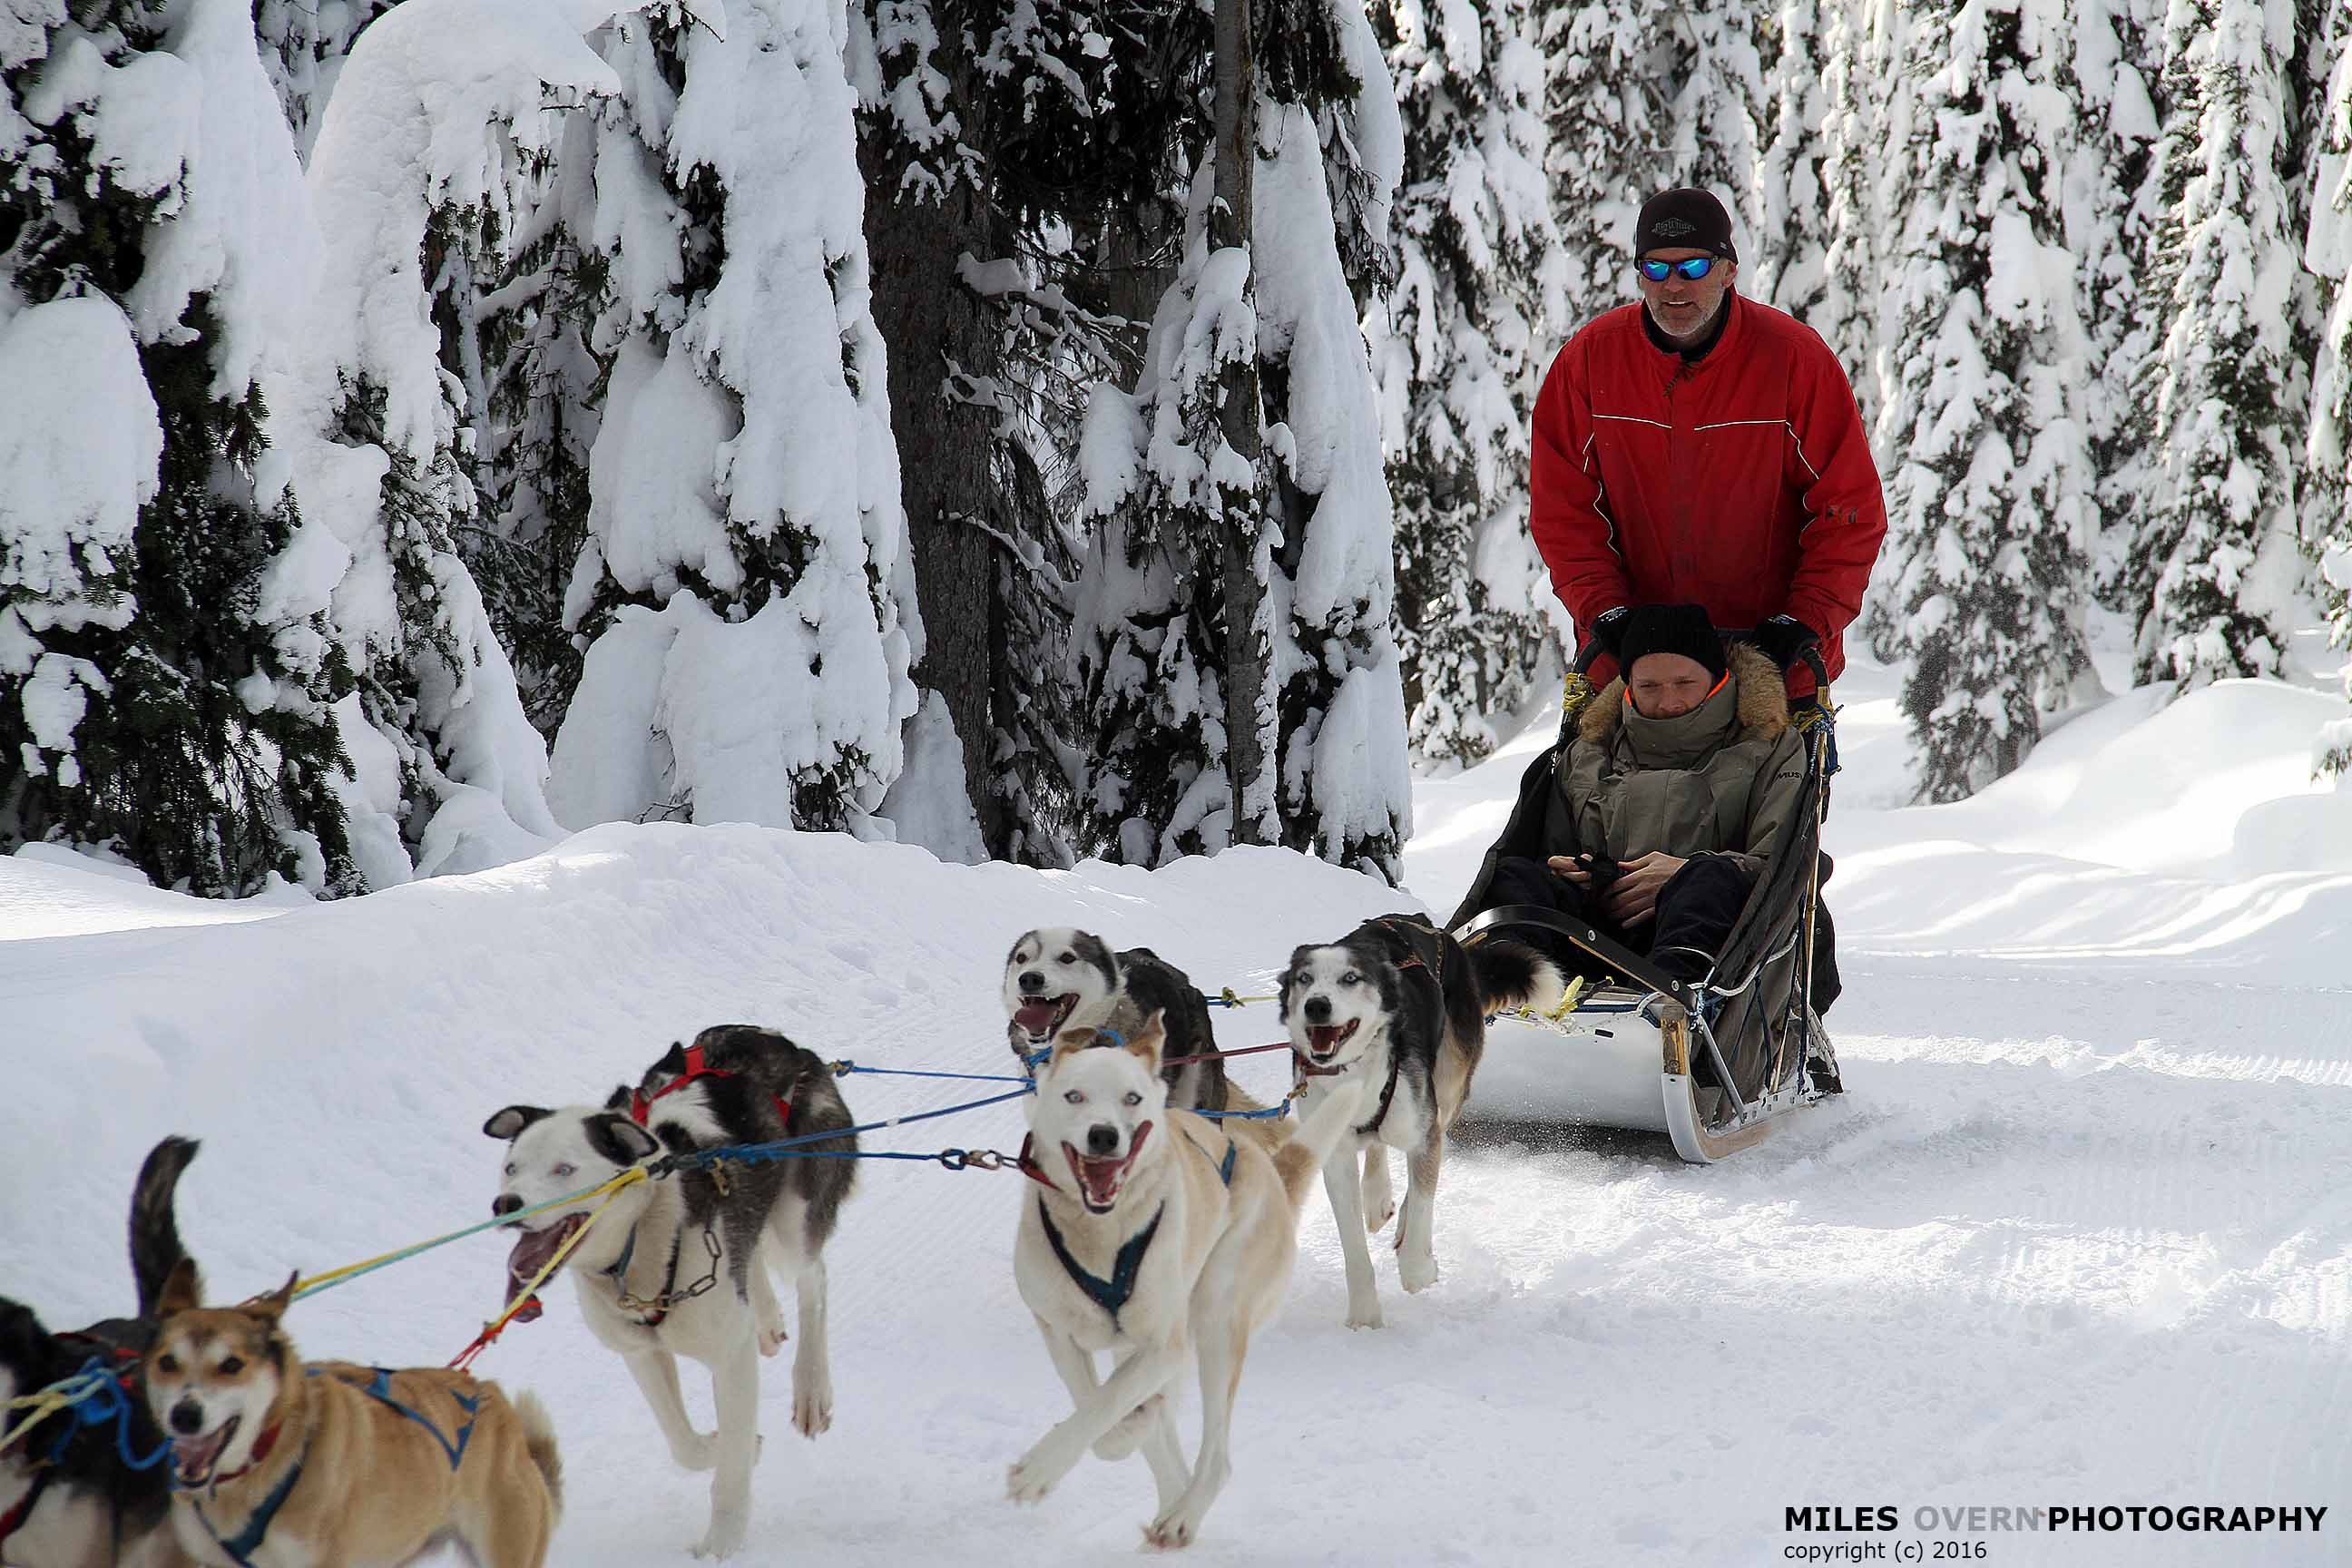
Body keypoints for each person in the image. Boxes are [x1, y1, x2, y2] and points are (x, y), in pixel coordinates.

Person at [1528, 186, 1887, 740]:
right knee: (1609, 820)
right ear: (1639, 273)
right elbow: (1563, 514)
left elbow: (1849, 512)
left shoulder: (1793, 360)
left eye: (1693, 265)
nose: (1675, 284)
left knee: (1768, 822)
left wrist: (1805, 622)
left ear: (1727, 271)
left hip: (1772, 669)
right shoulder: (1589, 362)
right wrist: (1607, 614)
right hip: (1635, 674)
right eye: (1657, 266)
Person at [1454, 604, 1808, 990]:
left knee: (1710, 882)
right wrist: (1575, 871)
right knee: (1517, 878)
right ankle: (1504, 992)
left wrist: (1683, 873)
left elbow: (1780, 866)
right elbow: (1550, 855)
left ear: (1717, 679)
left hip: (1710, 940)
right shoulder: (1587, 753)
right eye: (1649, 686)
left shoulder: (1768, 747)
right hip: (1596, 932)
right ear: (1628, 687)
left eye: (1685, 683)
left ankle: (1670, 1012)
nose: (1668, 701)